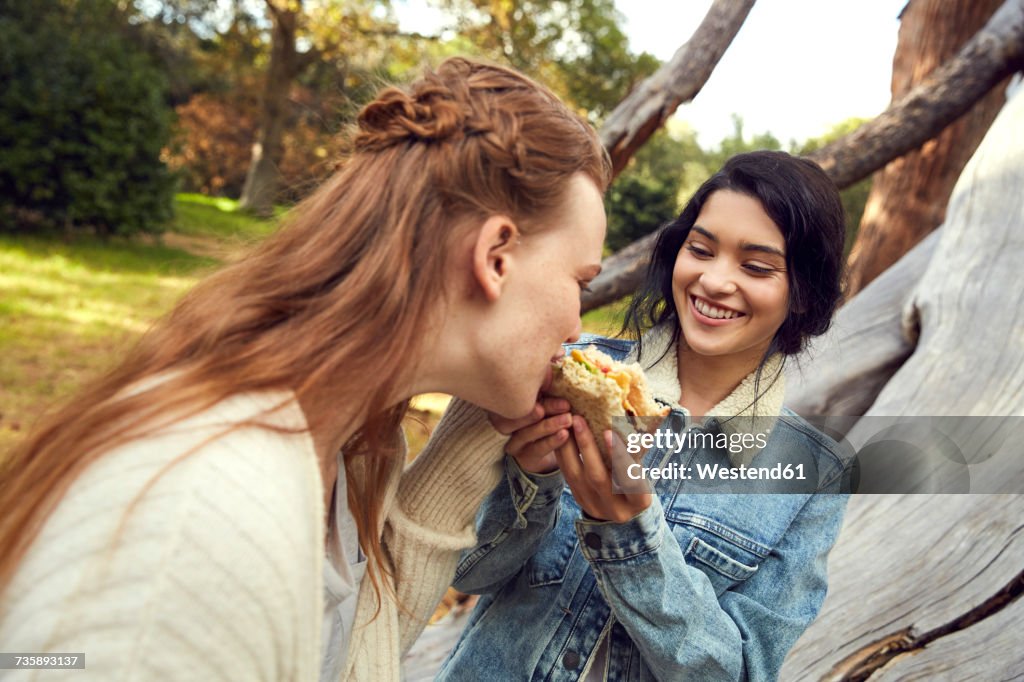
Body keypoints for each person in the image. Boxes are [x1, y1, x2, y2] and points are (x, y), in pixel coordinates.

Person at [0, 57, 610, 681]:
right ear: (496, 257)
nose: (575, 329)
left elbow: (337, 657)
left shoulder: (346, 447)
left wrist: (469, 438)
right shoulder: (203, 524)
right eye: (580, 282)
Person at [437, 150, 853, 681]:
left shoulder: (816, 473)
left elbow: (739, 673)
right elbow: (467, 574)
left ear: (802, 294)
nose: (715, 281)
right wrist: (532, 483)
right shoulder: (563, 364)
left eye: (755, 266)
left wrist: (629, 532)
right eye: (700, 250)